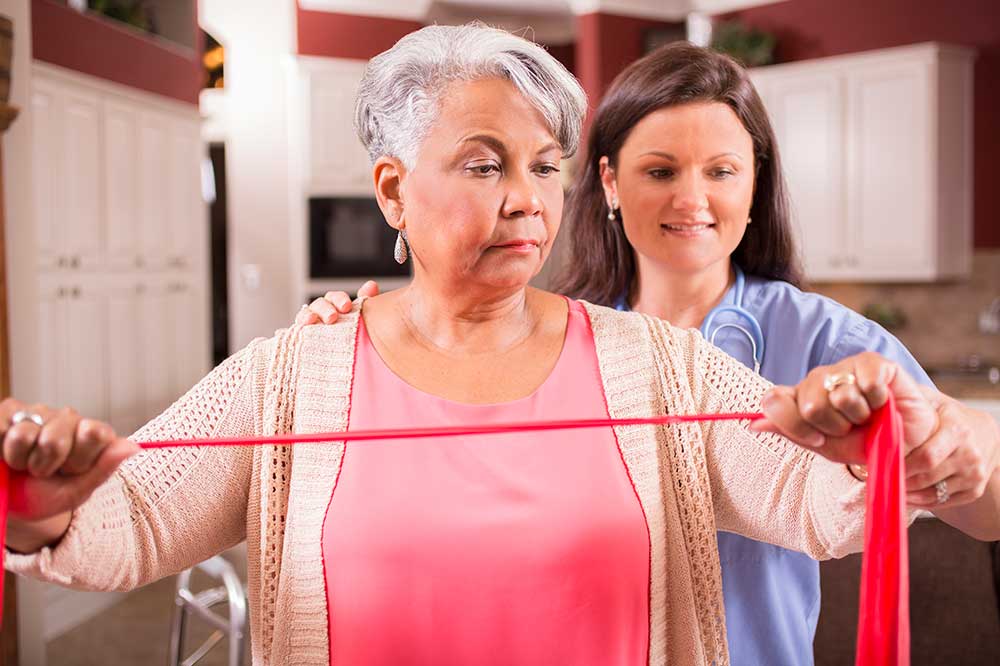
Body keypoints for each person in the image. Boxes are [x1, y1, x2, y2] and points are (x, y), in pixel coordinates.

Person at [5, 25, 999, 666]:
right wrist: (43, 516)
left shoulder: (656, 363)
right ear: (392, 189)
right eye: (483, 164)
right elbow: (124, 528)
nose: (526, 198)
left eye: (543, 165)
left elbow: (820, 508)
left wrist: (893, 454)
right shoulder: (291, 375)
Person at [300, 41, 1000, 665]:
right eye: (661, 171)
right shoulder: (550, 332)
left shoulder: (830, 341)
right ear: (607, 181)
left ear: (754, 180)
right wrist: (371, 342)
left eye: (721, 171)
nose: (692, 198)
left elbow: (967, 492)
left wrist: (959, 447)